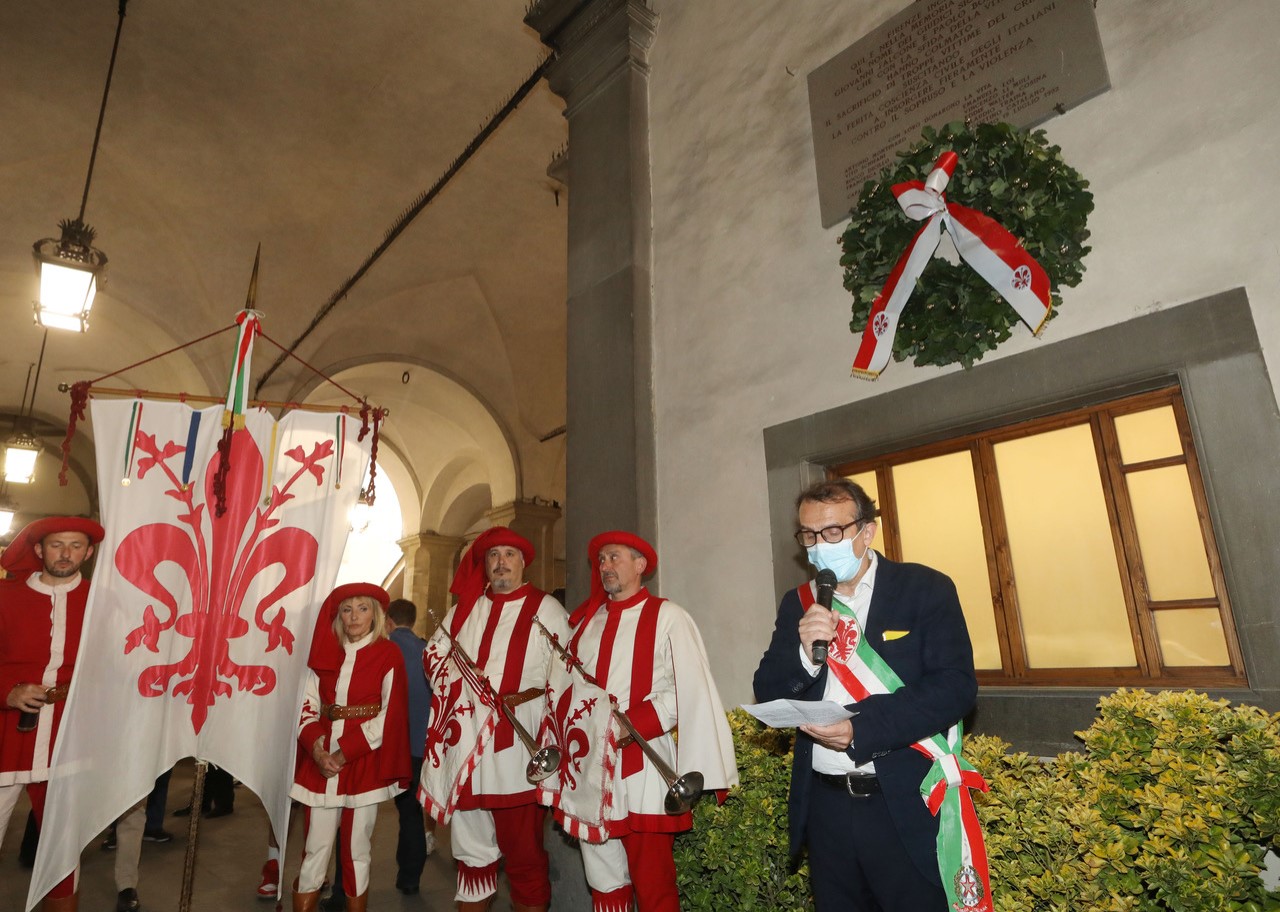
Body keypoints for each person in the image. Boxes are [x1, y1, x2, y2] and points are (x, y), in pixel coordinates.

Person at [753, 479, 980, 912]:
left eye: (833, 533)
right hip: (826, 807)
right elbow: (768, 689)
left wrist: (861, 729)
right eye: (809, 536)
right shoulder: (798, 602)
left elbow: (955, 686)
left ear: (867, 531)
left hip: (902, 801)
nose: (819, 546)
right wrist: (805, 657)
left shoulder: (925, 589)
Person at [561, 531, 737, 912]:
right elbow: (567, 688)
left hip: (643, 766)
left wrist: (628, 724)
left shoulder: (669, 617)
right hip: (590, 769)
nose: (606, 566)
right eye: (601, 560)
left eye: (615, 557)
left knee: (654, 884)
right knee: (604, 881)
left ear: (641, 566)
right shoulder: (585, 624)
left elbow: (686, 689)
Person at [420, 526, 568, 912]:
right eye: (493, 555)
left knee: (523, 854)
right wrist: (463, 685)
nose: (500, 562)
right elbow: (434, 656)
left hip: (518, 749)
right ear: (485, 564)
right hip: (467, 745)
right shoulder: (465, 608)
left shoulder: (546, 608)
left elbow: (565, 676)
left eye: (509, 555)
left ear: (523, 563)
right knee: (471, 855)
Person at [0, 515, 104, 912]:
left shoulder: (101, 601)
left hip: (69, 735)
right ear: (40, 550)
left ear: (89, 552)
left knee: (63, 852)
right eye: (57, 545)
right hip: (7, 733)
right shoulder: (5, 596)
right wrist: (8, 691)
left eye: (76, 546)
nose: (66, 554)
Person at [290, 583, 410, 912]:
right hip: (321, 765)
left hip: (364, 765)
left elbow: (391, 714)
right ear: (338, 616)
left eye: (362, 608)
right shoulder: (324, 651)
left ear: (376, 614)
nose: (354, 616)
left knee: (357, 852)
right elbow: (306, 706)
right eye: (347, 609)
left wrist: (346, 752)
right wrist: (317, 751)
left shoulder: (389, 654)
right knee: (315, 850)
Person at [323, 597, 433, 909]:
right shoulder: (426, 650)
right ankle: (409, 879)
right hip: (418, 748)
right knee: (412, 816)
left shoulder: (382, 650)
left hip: (384, 747)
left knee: (352, 817)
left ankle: (344, 892)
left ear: (386, 620)